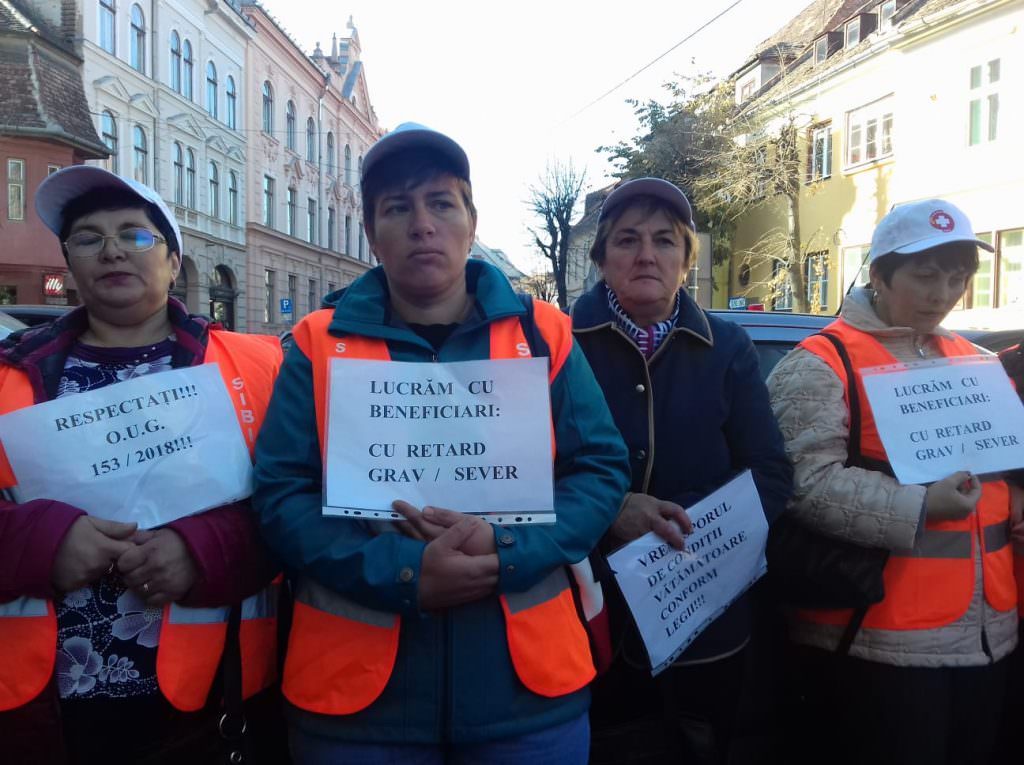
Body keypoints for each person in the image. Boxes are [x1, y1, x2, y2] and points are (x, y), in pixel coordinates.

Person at [252, 122, 630, 765]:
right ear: (372, 233)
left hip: (527, 696)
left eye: (441, 203)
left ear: (471, 220)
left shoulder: (543, 333)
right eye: (397, 208)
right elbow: (281, 495)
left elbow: (599, 469)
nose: (422, 224)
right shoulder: (318, 344)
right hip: (357, 706)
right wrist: (403, 574)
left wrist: (506, 547)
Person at [0, 166, 282, 764]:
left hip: (212, 702)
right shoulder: (8, 377)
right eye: (88, 238)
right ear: (70, 263)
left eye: (135, 234)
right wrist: (43, 542)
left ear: (173, 262)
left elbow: (297, 506)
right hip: (40, 710)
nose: (111, 251)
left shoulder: (255, 368)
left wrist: (202, 549)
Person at [767, 199, 1018, 765]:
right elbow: (804, 485)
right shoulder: (819, 362)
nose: (942, 293)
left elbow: (1001, 466)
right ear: (878, 274)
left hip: (990, 634)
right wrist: (921, 505)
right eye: (925, 276)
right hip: (877, 640)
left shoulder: (974, 360)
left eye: (957, 277)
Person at [571, 178, 793, 764]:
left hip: (708, 613)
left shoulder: (727, 347)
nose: (647, 254)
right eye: (628, 239)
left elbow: (770, 473)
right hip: (592, 618)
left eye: (665, 240)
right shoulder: (560, 343)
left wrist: (690, 526)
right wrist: (611, 511)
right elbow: (527, 472)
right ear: (601, 258)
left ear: (688, 258)